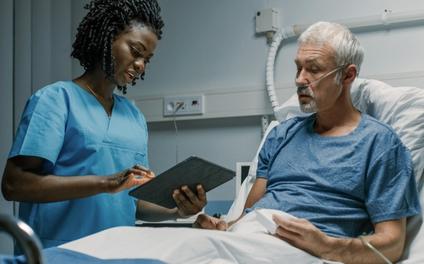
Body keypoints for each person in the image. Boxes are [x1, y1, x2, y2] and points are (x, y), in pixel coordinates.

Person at [194, 21, 421, 263]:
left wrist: (326, 245)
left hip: (305, 254)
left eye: (313, 69)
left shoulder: (381, 145)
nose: (300, 80)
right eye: (298, 68)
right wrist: (223, 228)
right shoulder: (282, 134)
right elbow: (250, 214)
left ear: (348, 75)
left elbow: (393, 245)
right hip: (251, 239)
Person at [1, 0, 206, 249]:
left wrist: (177, 209)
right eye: (135, 50)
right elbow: (14, 185)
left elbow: (132, 201)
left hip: (115, 253)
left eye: (147, 59)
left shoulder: (134, 117)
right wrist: (106, 183)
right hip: (58, 252)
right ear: (107, 38)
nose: (141, 65)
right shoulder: (55, 100)